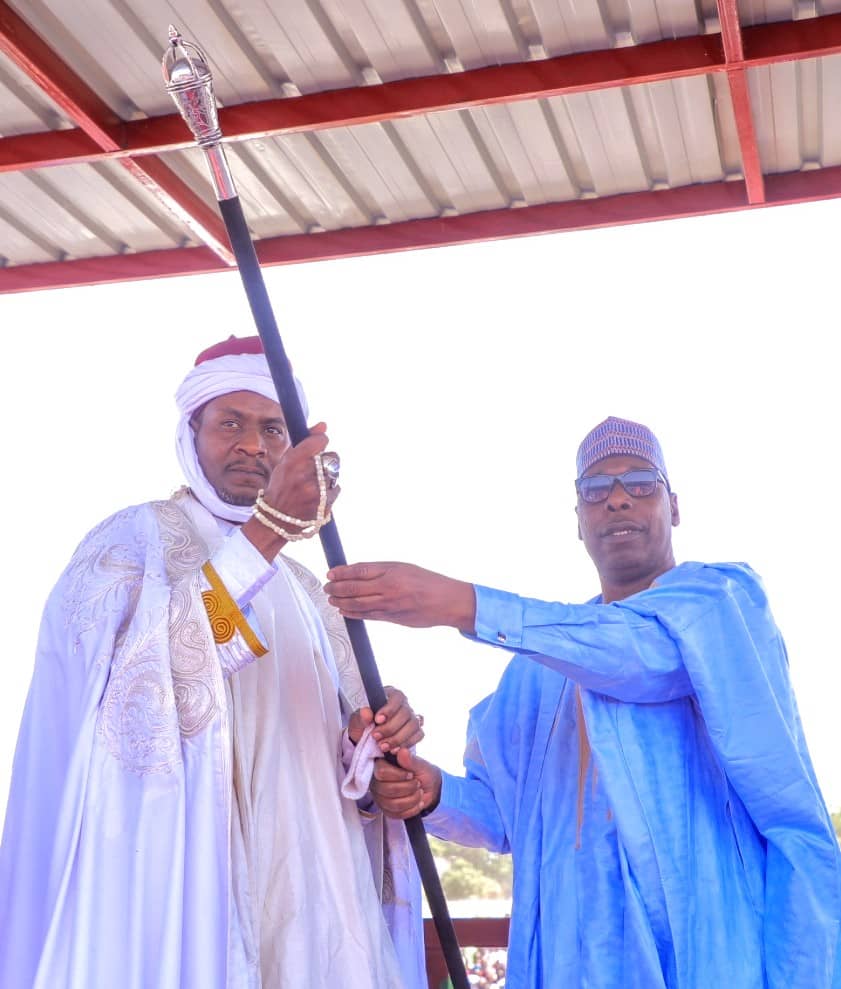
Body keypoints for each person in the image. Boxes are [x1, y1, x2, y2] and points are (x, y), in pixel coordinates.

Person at [325, 415, 841, 988]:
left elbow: (642, 656)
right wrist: (432, 791)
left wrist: (463, 605)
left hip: (703, 955)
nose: (617, 499)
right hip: (570, 962)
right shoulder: (534, 670)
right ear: (578, 520)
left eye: (640, 482)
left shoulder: (720, 604)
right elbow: (502, 816)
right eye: (595, 489)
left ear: (674, 506)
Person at [0, 336, 425, 989]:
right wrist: (268, 529)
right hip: (193, 881)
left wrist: (369, 741)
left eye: (273, 429)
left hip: (311, 887)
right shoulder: (135, 541)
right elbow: (146, 696)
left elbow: (335, 755)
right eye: (231, 423)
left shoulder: (308, 590)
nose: (253, 445)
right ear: (190, 433)